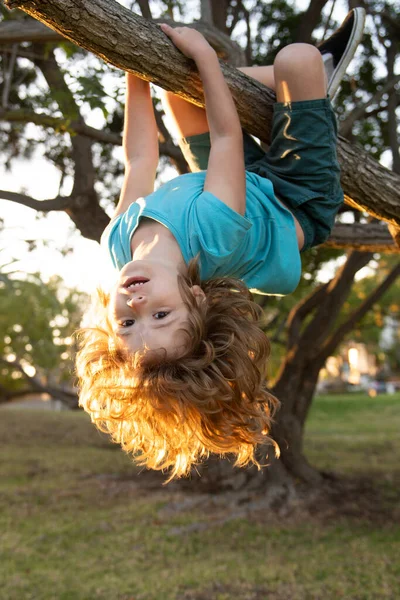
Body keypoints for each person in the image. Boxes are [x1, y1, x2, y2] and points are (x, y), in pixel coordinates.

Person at [76, 9, 365, 480]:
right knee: (298, 59)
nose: (138, 302)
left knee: (175, 82)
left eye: (127, 323)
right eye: (161, 316)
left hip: (232, 183)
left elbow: (138, 158)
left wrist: (135, 71)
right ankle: (307, 83)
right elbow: (227, 135)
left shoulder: (117, 246)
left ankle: (283, 97)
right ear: (196, 297)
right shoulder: (213, 233)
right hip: (296, 197)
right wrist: (207, 56)